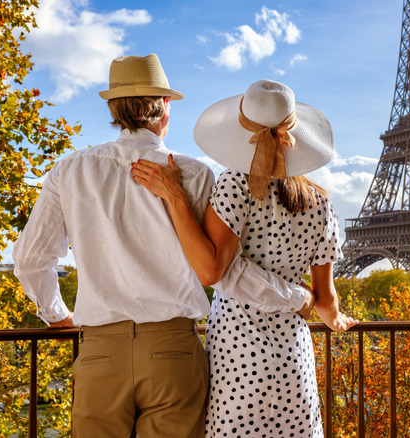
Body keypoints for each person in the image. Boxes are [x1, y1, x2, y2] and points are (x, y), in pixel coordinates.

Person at [13, 55, 314, 438]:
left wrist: (57, 316)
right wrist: (297, 298)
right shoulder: (193, 172)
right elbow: (224, 272)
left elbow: (30, 259)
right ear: (165, 107)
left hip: (100, 351)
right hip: (174, 349)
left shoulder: (70, 170)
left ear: (112, 109)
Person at [130, 79, 358, 437]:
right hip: (292, 358)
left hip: (236, 358)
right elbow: (325, 299)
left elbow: (212, 268)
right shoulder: (322, 203)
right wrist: (337, 320)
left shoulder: (235, 183)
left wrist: (174, 197)